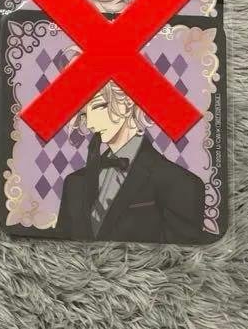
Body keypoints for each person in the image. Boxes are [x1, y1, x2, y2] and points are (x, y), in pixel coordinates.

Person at [54, 78, 206, 243]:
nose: (90, 123)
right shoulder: (74, 183)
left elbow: (182, 254)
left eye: (99, 107)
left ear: (127, 103)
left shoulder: (179, 183)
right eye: (84, 114)